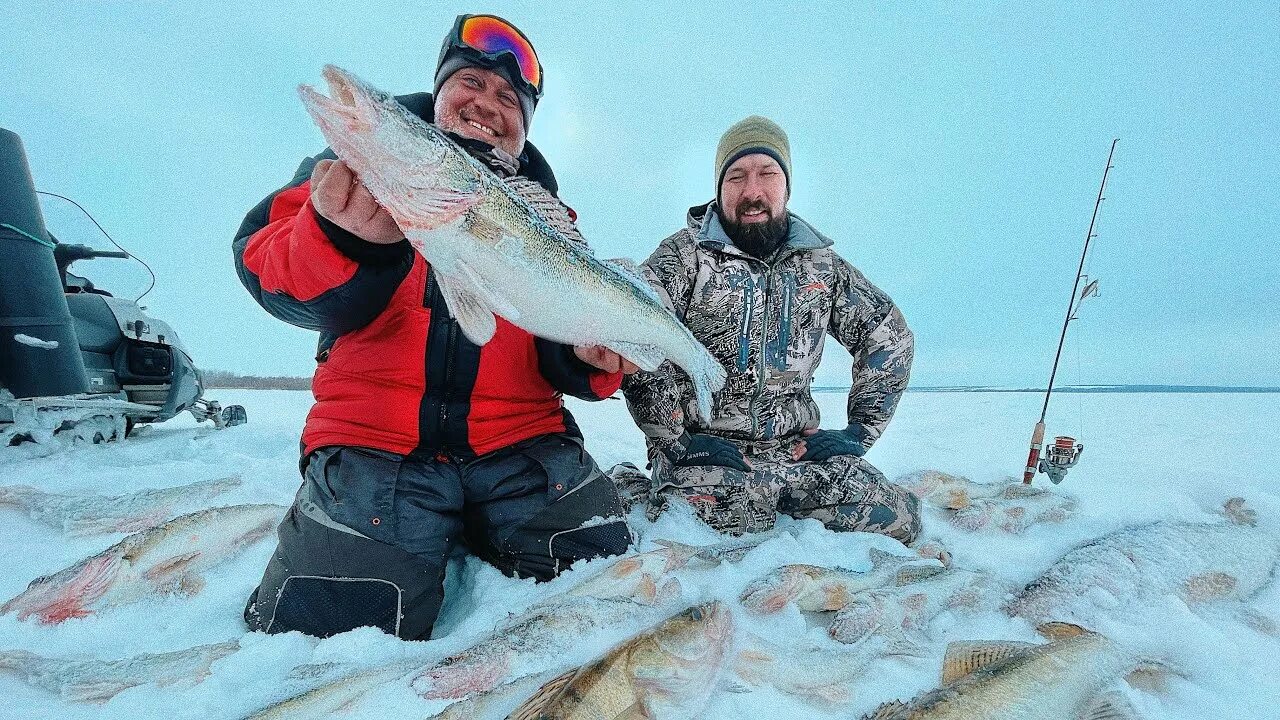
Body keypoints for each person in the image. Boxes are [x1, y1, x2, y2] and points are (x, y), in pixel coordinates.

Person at [232, 14, 634, 641]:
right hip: (374, 445)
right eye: (471, 81)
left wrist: (591, 359)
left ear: (524, 127)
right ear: (439, 89)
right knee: (329, 635)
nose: (487, 103)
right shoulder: (349, 171)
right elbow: (267, 268)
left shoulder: (551, 216)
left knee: (608, 588)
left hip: (523, 443)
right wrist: (340, 239)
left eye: (510, 99)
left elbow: (560, 351)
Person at [620, 115, 921, 543]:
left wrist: (859, 432)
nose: (752, 192)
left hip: (794, 449)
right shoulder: (684, 257)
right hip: (706, 450)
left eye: (767, 174)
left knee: (895, 521)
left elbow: (887, 334)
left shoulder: (821, 265)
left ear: (787, 185)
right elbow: (638, 331)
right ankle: (632, 484)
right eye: (737, 177)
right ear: (719, 188)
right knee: (716, 536)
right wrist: (676, 441)